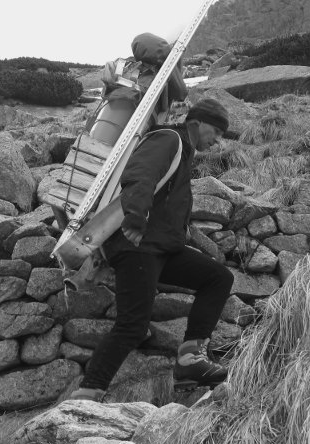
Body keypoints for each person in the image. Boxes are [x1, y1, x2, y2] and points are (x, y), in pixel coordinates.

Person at [68, 98, 235, 401]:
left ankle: (189, 360)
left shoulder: (184, 150)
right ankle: (88, 391)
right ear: (196, 123)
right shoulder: (168, 138)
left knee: (218, 278)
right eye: (216, 131)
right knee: (132, 325)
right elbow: (141, 172)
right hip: (138, 244)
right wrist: (136, 215)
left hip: (161, 248)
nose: (217, 140)